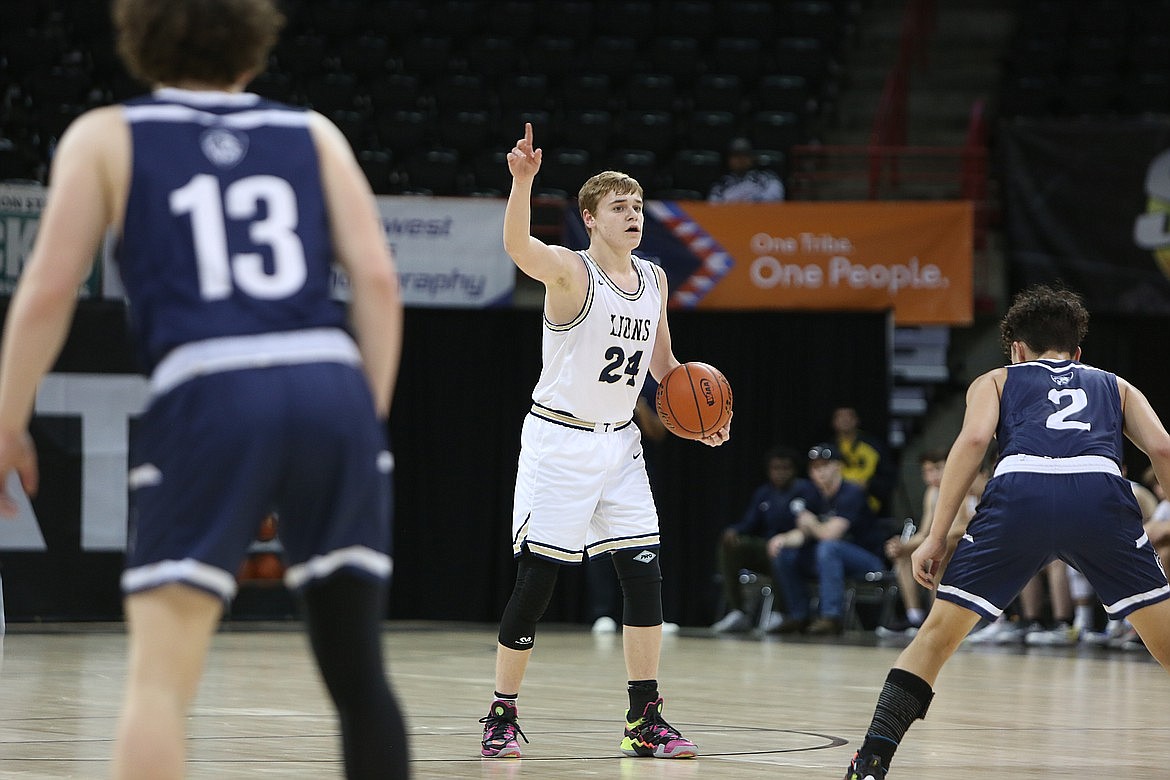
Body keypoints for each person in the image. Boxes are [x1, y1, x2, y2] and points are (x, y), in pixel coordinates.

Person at [0, 2, 409, 778]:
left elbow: (50, 290)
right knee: (360, 680)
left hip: (210, 385)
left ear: (137, 43)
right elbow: (379, 283)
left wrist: (7, 422)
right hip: (331, 382)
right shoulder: (313, 133)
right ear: (255, 47)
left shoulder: (106, 135)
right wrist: (365, 415)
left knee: (159, 684)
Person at [843, 284, 1170, 780]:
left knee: (935, 638)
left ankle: (871, 761)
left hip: (1021, 491)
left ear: (1017, 349)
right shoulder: (1114, 384)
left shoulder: (998, 379)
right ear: (1077, 352)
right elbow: (1163, 449)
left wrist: (935, 536)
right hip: (1099, 494)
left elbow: (974, 440)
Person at [480, 122, 731, 761]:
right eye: (619, 208)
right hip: (559, 443)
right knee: (537, 582)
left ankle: (644, 718)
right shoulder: (570, 273)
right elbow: (516, 246)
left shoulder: (654, 280)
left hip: (620, 445)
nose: (633, 216)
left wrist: (700, 417)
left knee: (644, 580)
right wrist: (523, 182)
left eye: (638, 207)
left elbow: (666, 367)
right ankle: (501, 716)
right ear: (590, 219)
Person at [771, 444, 890, 636]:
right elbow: (803, 534)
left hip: (867, 559)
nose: (820, 472)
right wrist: (782, 539)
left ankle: (831, 617)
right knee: (784, 554)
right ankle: (799, 615)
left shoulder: (851, 493)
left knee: (828, 547)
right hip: (829, 560)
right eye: (815, 468)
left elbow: (829, 534)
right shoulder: (813, 496)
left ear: (838, 467)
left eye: (825, 466)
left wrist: (810, 522)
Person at [711, 445, 817, 633]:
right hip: (767, 547)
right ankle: (739, 611)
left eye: (785, 468)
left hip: (797, 551)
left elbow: (810, 528)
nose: (780, 473)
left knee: (778, 550)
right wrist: (734, 530)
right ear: (769, 471)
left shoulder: (806, 490)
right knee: (731, 545)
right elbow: (750, 523)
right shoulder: (764, 493)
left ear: (794, 470)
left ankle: (780, 612)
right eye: (776, 468)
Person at [877, 450, 947, 637]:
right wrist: (902, 545)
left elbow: (958, 528)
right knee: (903, 556)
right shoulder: (932, 493)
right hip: (939, 542)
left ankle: (935, 619)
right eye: (927, 471)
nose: (932, 476)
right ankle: (914, 616)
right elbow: (925, 532)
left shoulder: (958, 489)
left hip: (957, 544)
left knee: (937, 555)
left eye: (937, 469)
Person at [831, 406, 897, 516]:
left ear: (857, 420)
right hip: (836, 503)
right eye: (840, 417)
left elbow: (888, 476)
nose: (845, 420)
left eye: (848, 416)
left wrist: (869, 485)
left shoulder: (873, 445)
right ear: (833, 422)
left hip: (870, 503)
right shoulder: (829, 448)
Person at [706, 137, 785, 203]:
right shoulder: (721, 185)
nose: (740, 160)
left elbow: (776, 195)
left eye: (744, 155)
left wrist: (750, 202)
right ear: (729, 160)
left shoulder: (766, 178)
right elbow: (713, 205)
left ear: (751, 158)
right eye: (736, 156)